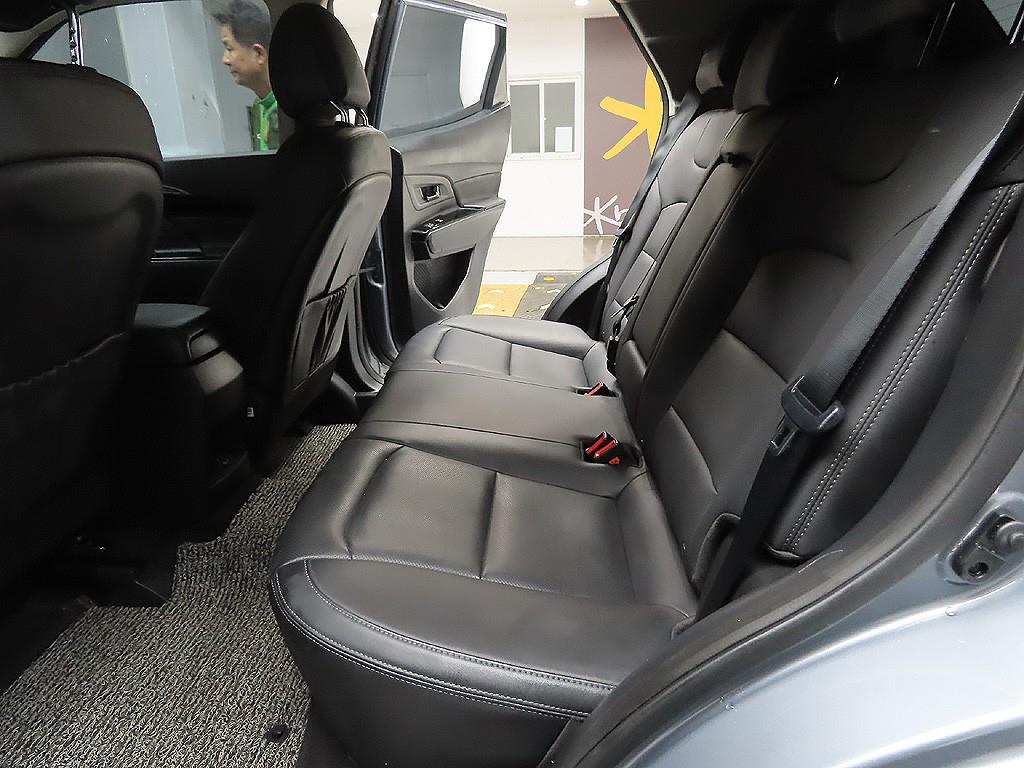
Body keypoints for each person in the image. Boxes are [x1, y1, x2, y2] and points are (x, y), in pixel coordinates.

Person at [213, 0, 279, 151]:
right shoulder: (258, 107)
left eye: (229, 48)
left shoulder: (288, 111)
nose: (225, 60)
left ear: (259, 53)